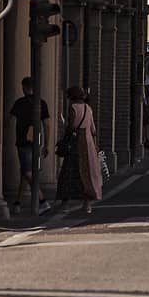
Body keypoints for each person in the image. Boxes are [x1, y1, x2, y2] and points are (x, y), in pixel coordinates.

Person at [56, 85, 102, 216]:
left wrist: (65, 126)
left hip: (76, 143)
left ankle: (65, 203)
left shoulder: (73, 107)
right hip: (88, 144)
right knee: (86, 173)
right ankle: (87, 204)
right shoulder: (88, 108)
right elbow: (93, 129)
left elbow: (71, 127)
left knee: (69, 172)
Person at [9, 76, 50, 214]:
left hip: (23, 142)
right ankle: (17, 202)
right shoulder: (41, 103)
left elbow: (10, 120)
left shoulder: (20, 103)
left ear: (25, 88)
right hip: (37, 142)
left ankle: (42, 200)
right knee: (26, 172)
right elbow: (46, 125)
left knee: (27, 172)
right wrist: (46, 144)